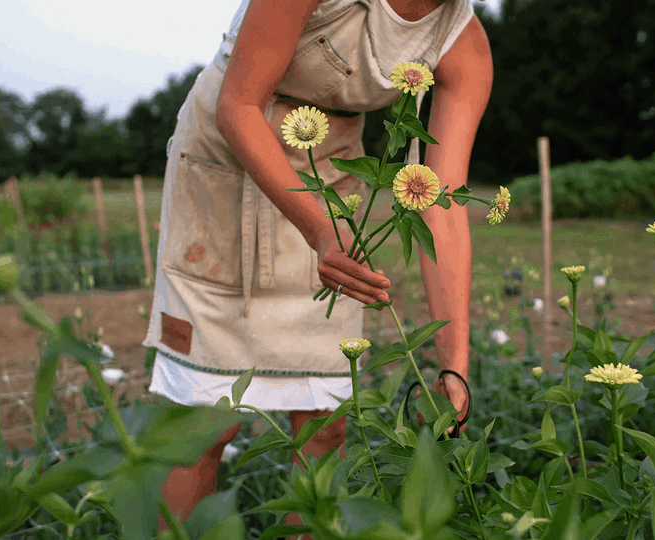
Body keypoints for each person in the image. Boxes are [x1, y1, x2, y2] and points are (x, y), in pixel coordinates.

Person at [142, 0, 492, 536]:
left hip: (331, 174)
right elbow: (238, 104)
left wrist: (454, 363)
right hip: (227, 162)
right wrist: (318, 230)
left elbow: (441, 205)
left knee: (324, 427)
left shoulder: (462, 45)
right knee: (203, 426)